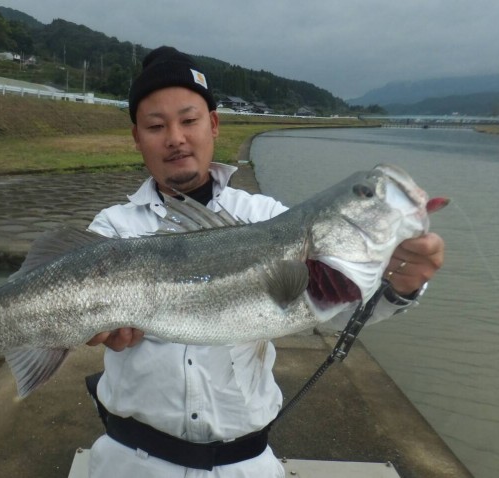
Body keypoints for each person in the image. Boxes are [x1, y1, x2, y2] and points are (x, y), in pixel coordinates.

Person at [84, 46, 445, 477]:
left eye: (189, 120)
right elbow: (84, 320)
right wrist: (94, 329)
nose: (175, 137)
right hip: (130, 463)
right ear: (137, 138)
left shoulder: (268, 217)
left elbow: (334, 313)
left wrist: (401, 286)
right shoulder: (112, 228)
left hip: (245, 464)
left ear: (214, 124)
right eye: (156, 126)